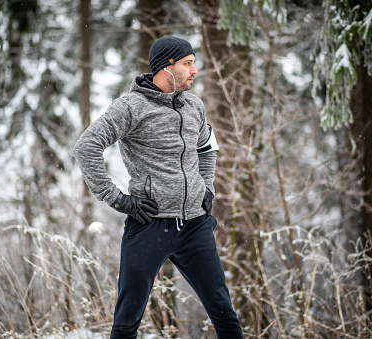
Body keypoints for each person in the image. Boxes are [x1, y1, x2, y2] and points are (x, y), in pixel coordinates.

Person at [73, 36, 244, 339]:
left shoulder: (193, 104)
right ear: (167, 67)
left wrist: (207, 187)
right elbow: (86, 146)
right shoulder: (131, 107)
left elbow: (207, 148)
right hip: (149, 224)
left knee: (225, 315)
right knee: (127, 320)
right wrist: (117, 199)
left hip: (195, 225)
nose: (194, 70)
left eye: (194, 63)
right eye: (187, 64)